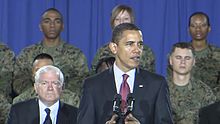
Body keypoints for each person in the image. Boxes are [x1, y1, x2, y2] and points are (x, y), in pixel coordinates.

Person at [77, 23, 173, 124]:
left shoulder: (157, 84)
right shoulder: (92, 86)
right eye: (130, 44)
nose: (137, 50)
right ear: (114, 47)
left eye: (140, 44)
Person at [13, 8, 89, 98]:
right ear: (40, 27)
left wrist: (57, 92)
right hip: (33, 101)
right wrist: (38, 92)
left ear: (62, 26)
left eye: (57, 21)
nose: (52, 25)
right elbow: (18, 80)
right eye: (47, 21)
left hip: (66, 103)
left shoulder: (75, 54)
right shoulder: (27, 54)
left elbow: (82, 81)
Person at [91, 4, 155, 74]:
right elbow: (94, 77)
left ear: (132, 21)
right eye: (117, 19)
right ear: (112, 23)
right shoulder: (102, 52)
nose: (121, 22)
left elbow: (151, 79)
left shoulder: (146, 52)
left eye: (126, 19)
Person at [7, 65, 78, 124]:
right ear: (36, 87)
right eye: (44, 83)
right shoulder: (19, 111)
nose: (50, 88)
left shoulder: (75, 115)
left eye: (55, 83)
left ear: (62, 87)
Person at [167, 42, 216, 123]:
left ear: (194, 61)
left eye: (187, 58)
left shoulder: (205, 92)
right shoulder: (159, 90)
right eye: (178, 57)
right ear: (171, 60)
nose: (183, 62)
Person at [13, 53, 80, 107]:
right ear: (32, 74)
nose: (42, 73)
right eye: (37, 70)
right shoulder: (20, 102)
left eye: (46, 69)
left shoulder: (71, 100)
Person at [188, 12, 220, 99]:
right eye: (193, 25)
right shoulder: (178, 54)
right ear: (188, 29)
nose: (198, 29)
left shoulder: (218, 54)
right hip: (184, 107)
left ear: (209, 28)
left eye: (203, 25)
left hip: (213, 106)